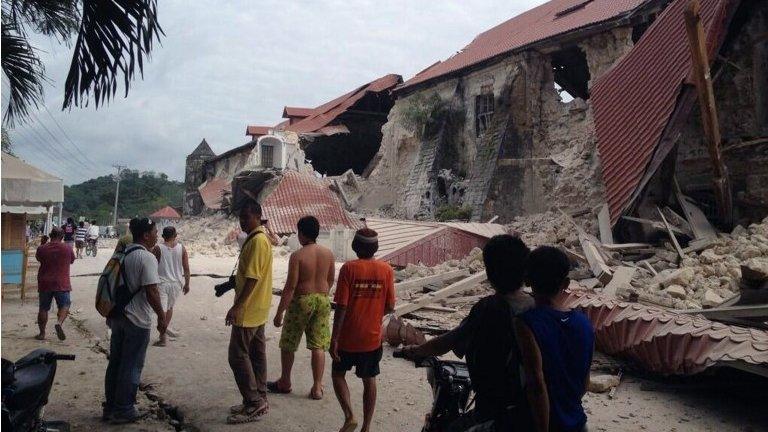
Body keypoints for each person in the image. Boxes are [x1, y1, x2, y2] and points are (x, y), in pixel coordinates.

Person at [400, 234, 534, 431]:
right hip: (531, 409)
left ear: (489, 273)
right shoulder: (536, 305)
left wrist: (417, 350)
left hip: (496, 412)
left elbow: (449, 341)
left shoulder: (488, 308)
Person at [516, 246, 594, 432]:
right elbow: (584, 383)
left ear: (527, 280)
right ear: (566, 284)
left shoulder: (526, 324)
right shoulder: (584, 323)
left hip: (543, 424)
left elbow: (536, 384)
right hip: (577, 423)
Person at [330, 228, 395, 432]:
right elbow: (390, 306)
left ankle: (350, 415)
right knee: (369, 380)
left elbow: (341, 305)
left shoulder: (349, 269)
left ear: (354, 247)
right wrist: (374, 313)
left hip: (348, 337)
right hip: (372, 339)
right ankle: (366, 427)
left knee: (338, 375)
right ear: (376, 247)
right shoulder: (386, 270)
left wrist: (334, 338)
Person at [103, 218, 166, 424]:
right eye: (155, 232)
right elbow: (152, 291)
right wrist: (162, 317)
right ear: (146, 235)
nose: (158, 235)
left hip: (118, 316)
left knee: (116, 363)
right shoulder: (145, 257)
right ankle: (124, 409)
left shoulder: (122, 253)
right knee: (131, 365)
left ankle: (111, 406)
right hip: (137, 319)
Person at [269, 216, 335, 400]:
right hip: (322, 300)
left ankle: (285, 381)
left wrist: (279, 312)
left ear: (302, 234)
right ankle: (317, 387)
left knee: (289, 342)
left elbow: (290, 287)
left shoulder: (297, 256)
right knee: (319, 344)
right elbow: (330, 280)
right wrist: (320, 294)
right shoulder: (328, 254)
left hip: (301, 301)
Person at [225, 201, 273, 424]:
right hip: (259, 307)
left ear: (257, 216)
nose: (242, 221)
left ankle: (253, 401)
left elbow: (253, 278)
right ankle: (259, 397)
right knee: (256, 353)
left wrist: (237, 306)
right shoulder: (259, 239)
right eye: (240, 218)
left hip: (250, 309)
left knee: (237, 355)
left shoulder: (256, 241)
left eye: (246, 217)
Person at [151, 226, 190, 346]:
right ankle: (163, 333)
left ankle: (162, 337)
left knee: (161, 311)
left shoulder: (158, 248)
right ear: (175, 235)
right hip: (176, 283)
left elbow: (152, 266)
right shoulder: (182, 248)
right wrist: (187, 284)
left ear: (163, 236)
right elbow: (186, 268)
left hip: (162, 283)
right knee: (169, 308)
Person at [34, 227, 75, 341]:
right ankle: (59, 323)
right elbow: (72, 260)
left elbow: (38, 258)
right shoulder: (67, 248)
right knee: (65, 305)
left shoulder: (42, 248)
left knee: (43, 308)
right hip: (62, 282)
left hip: (45, 282)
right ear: (62, 237)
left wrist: (42, 243)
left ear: (50, 235)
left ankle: (42, 334)